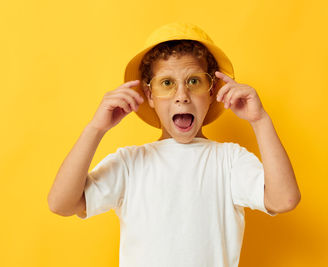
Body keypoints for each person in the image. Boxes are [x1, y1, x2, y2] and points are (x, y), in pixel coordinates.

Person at [48, 22, 301, 267]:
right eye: (167, 83)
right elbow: (61, 203)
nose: (182, 96)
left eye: (194, 81)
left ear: (212, 91)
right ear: (149, 95)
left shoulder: (229, 161)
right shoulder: (130, 163)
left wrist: (260, 120)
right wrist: (96, 129)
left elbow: (284, 200)